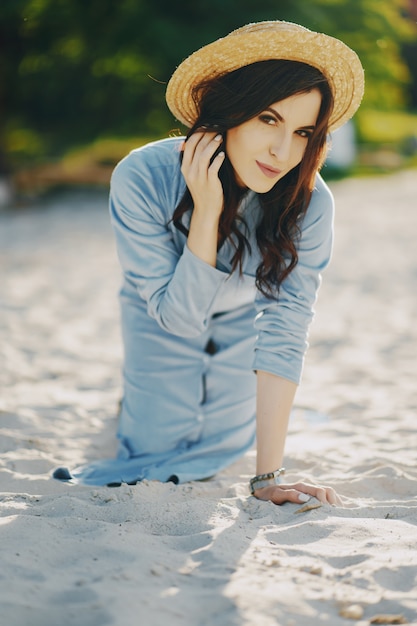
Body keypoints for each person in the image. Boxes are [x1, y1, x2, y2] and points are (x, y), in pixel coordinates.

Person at [53, 20, 364, 505]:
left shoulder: (310, 201)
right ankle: (131, 402)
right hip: (159, 312)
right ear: (229, 111)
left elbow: (287, 325)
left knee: (221, 445)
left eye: (303, 131)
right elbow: (177, 318)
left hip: (241, 320)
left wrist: (268, 479)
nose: (284, 152)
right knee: (154, 446)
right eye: (268, 118)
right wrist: (207, 210)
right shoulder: (143, 177)